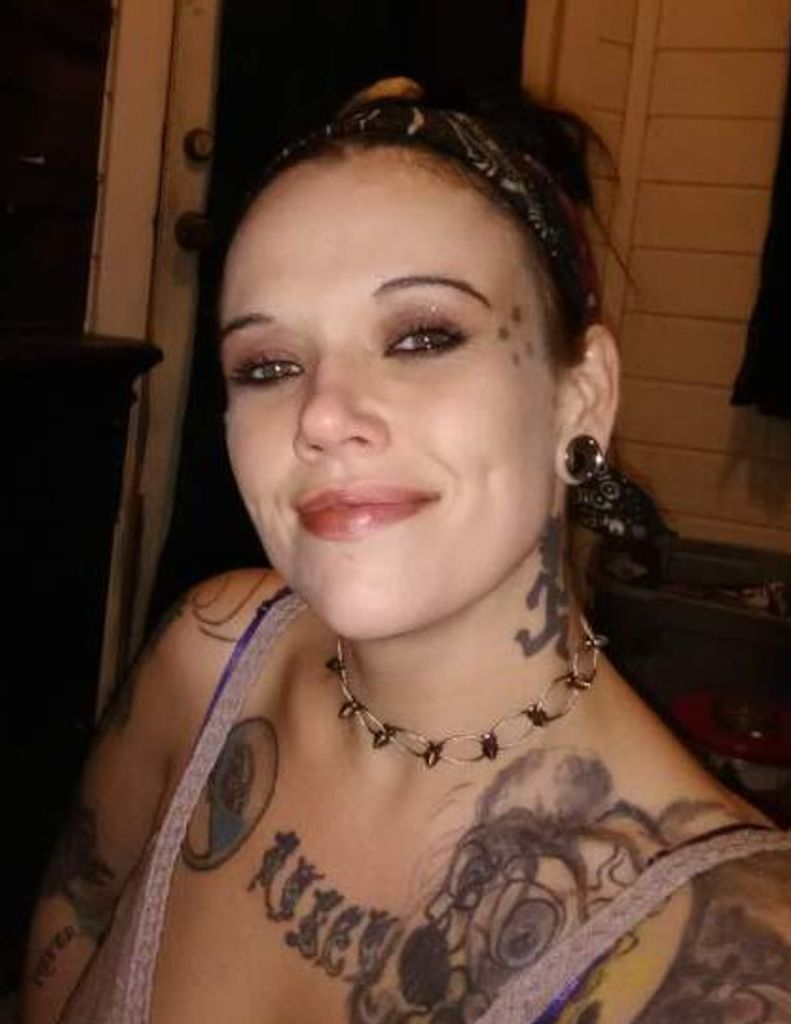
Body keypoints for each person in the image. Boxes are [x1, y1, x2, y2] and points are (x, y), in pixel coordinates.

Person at [21, 79, 791, 1024]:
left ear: (580, 396)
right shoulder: (209, 652)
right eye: (268, 365)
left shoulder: (735, 960)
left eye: (422, 337)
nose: (321, 414)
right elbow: (74, 917)